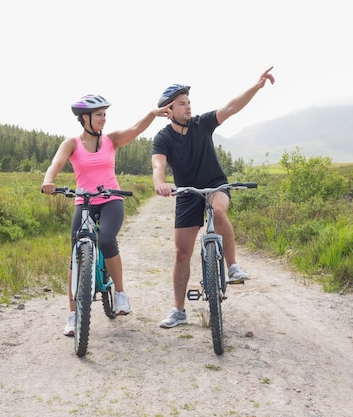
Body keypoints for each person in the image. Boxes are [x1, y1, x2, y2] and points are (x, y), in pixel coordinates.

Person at [151, 67, 276, 329]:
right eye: (181, 104)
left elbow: (231, 107)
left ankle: (232, 267)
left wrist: (256, 86)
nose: (188, 107)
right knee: (182, 253)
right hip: (187, 193)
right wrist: (160, 184)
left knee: (219, 212)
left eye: (188, 102)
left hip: (215, 184)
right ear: (168, 111)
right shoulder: (163, 137)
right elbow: (157, 166)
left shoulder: (202, 123)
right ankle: (179, 310)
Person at [42, 94, 172, 336]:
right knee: (75, 254)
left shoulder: (111, 140)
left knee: (106, 240)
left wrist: (153, 114)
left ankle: (120, 294)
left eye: (104, 114)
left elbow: (134, 129)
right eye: (99, 114)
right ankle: (72, 315)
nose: (103, 118)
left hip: (111, 199)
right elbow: (56, 163)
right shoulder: (71, 143)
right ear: (84, 118)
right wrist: (49, 180)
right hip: (85, 201)